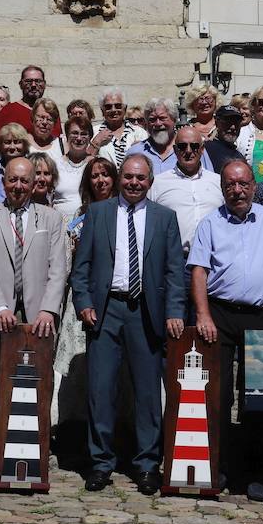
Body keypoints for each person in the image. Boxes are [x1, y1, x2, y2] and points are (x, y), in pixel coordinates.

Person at [71, 154, 186, 495]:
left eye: (141, 178)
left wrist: (174, 310)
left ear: (150, 181)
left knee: (148, 393)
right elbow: (82, 266)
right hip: (106, 310)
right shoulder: (98, 213)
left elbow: (174, 271)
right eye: (129, 177)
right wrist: (84, 303)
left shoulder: (165, 218)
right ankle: (101, 463)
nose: (134, 183)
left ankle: (147, 464)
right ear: (120, 178)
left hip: (145, 312)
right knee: (101, 390)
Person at [188, 160, 263, 494]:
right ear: (223, 189)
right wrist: (202, 315)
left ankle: (254, 474)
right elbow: (199, 272)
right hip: (219, 315)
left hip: (260, 315)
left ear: (253, 185)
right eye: (231, 185)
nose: (238, 190)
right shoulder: (210, 223)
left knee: (257, 398)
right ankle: (218, 468)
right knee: (216, 396)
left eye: (244, 184)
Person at [0, 157, 72, 461]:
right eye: (12, 180)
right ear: (4, 182)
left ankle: (35, 449)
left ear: (34, 184)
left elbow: (59, 268)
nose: (18, 186)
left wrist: (48, 310)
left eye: (24, 181)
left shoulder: (51, 219)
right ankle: (3, 451)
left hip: (38, 317)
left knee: (38, 383)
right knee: (0, 383)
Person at [57, 158, 118, 433]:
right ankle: (76, 423)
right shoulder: (79, 214)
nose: (101, 180)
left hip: (113, 296)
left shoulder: (124, 211)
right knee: (78, 361)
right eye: (95, 176)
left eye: (106, 175)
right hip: (83, 296)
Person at [148, 126, 225, 250]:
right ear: (175, 150)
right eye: (182, 146)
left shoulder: (218, 182)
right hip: (175, 261)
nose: (188, 151)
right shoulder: (157, 184)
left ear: (202, 149)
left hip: (213, 259)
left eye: (194, 146)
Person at [131, 97, 210, 176]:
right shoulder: (135, 152)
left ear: (174, 120)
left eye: (162, 118)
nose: (158, 124)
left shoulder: (195, 148)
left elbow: (208, 178)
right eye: (152, 119)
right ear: (146, 123)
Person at [0, 65, 60, 139]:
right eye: (28, 81)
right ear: (21, 84)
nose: (33, 85)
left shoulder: (51, 112)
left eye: (38, 81)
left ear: (44, 84)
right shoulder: (8, 111)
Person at [92, 88, 147, 168]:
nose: (113, 110)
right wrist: (96, 142)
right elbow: (86, 161)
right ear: (102, 110)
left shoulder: (139, 133)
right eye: (108, 107)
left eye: (118, 106)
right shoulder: (94, 132)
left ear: (124, 109)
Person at [52, 118, 93, 222]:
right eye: (74, 133)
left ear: (89, 138)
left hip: (89, 221)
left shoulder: (95, 165)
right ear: (67, 136)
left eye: (84, 134)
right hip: (60, 223)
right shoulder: (55, 165)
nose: (79, 138)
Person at [204, 105, 247, 172]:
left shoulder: (239, 156)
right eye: (228, 122)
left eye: (236, 123)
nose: (233, 127)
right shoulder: (206, 149)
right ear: (217, 122)